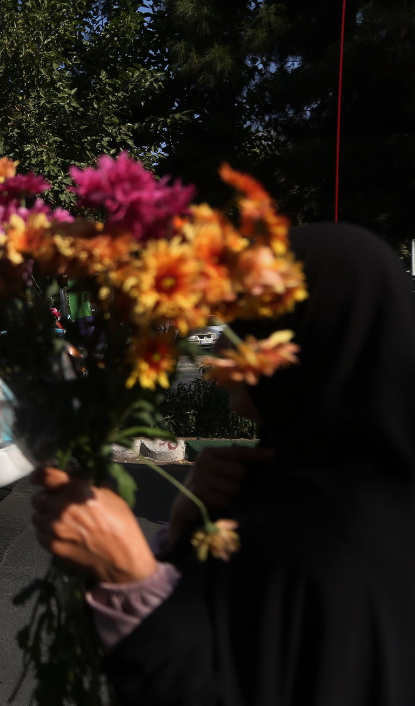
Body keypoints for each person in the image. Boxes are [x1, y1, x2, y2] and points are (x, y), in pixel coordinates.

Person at [31, 222, 415, 705]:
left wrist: (129, 576)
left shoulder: (341, 546)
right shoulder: (307, 489)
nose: (223, 359)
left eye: (249, 334)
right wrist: (184, 532)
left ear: (311, 349)